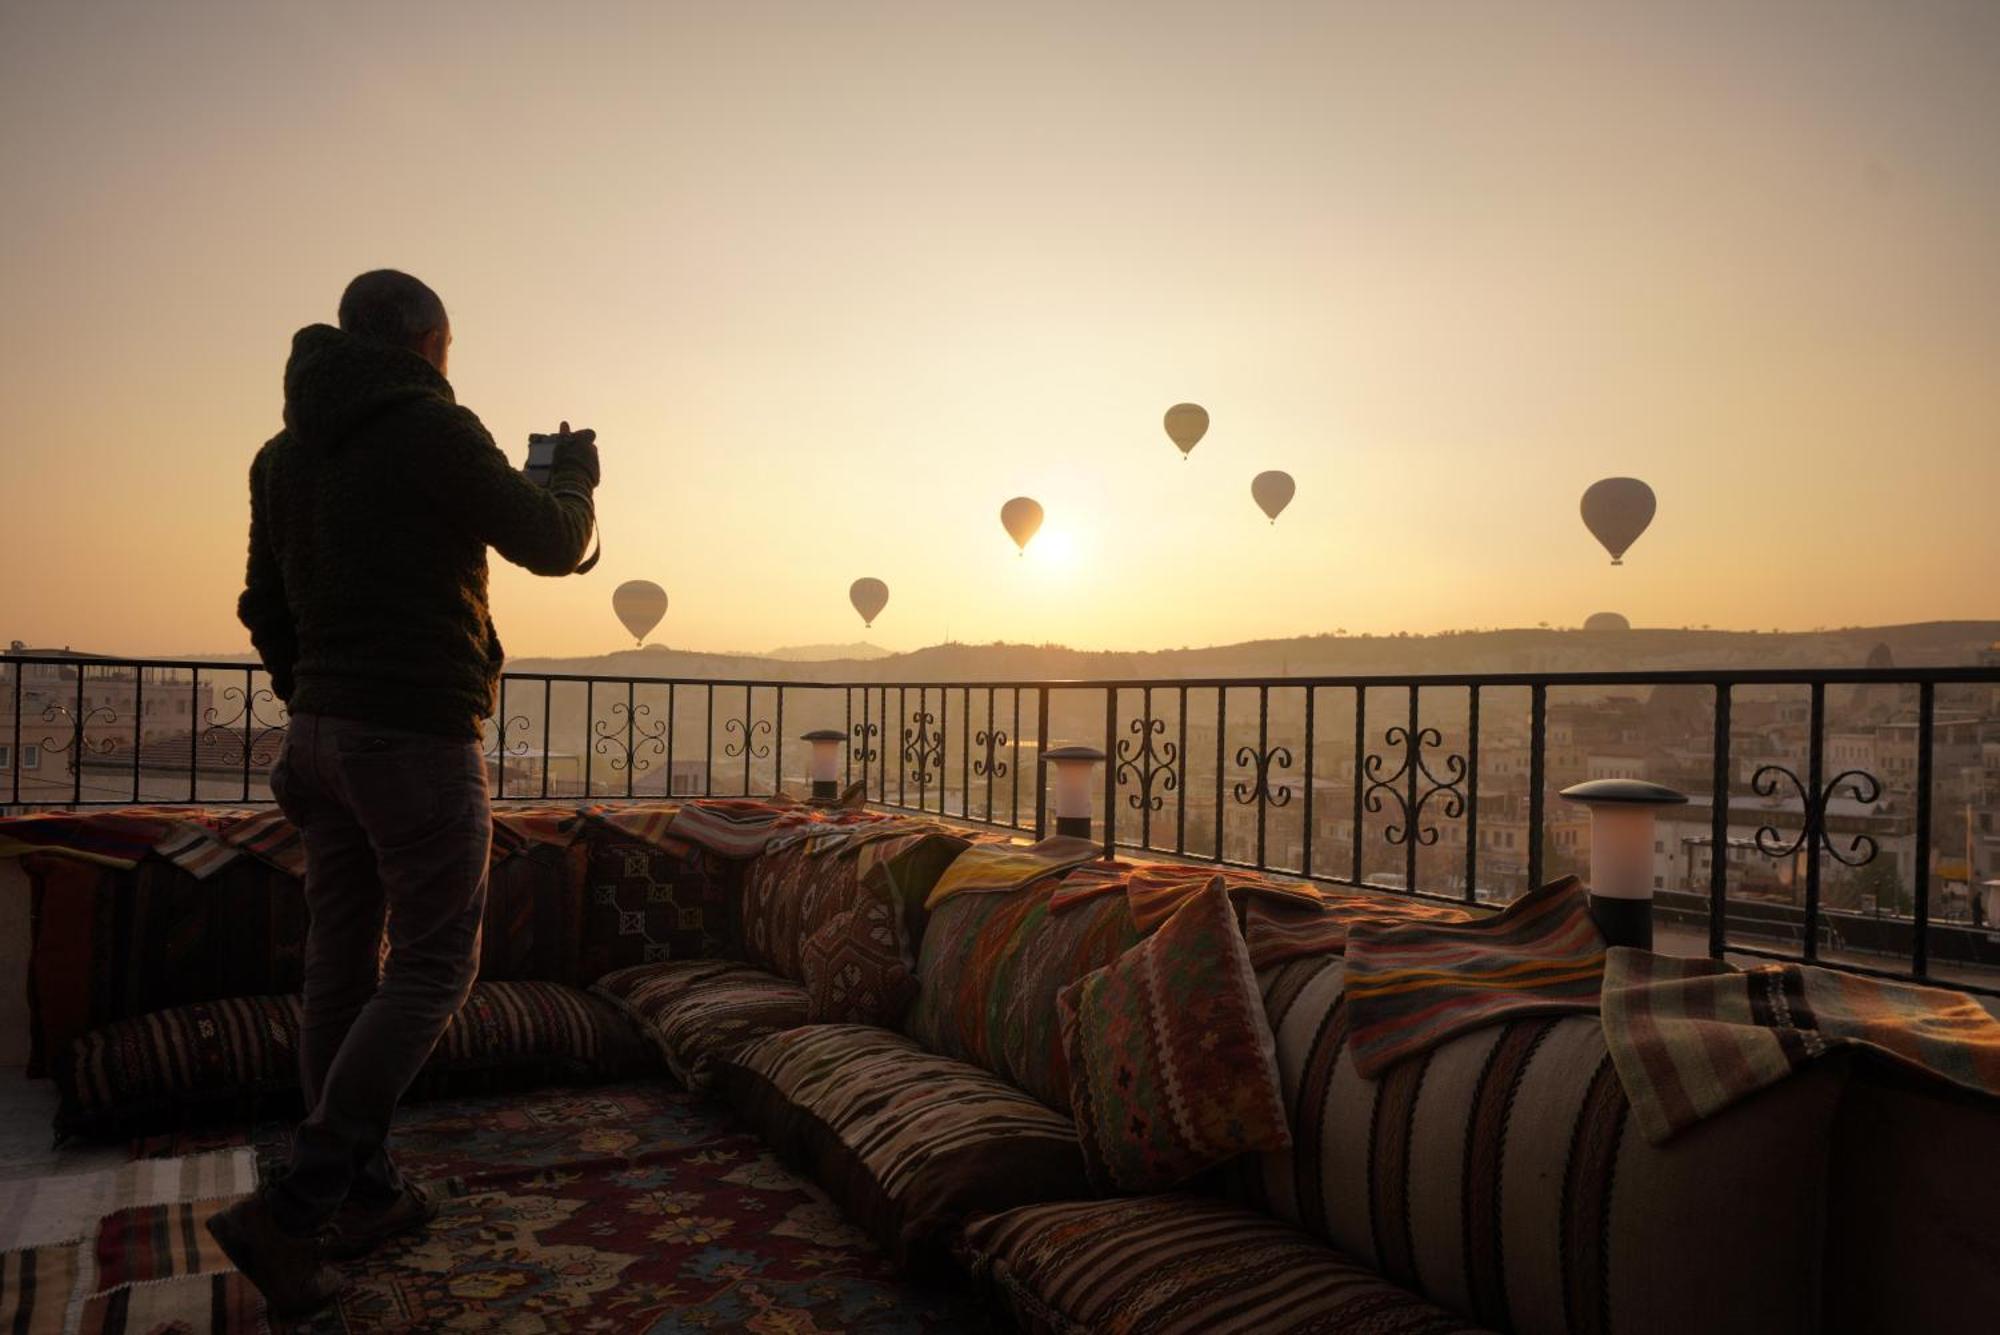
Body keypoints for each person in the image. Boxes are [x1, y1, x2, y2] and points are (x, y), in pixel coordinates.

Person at [211, 270, 601, 1317]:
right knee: (433, 966)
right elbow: (553, 543)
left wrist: (314, 694)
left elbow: (261, 600)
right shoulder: (434, 428)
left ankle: (366, 1189)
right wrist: (577, 480)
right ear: (430, 341)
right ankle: (301, 1205)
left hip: (318, 739)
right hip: (417, 735)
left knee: (342, 959)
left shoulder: (282, 455)